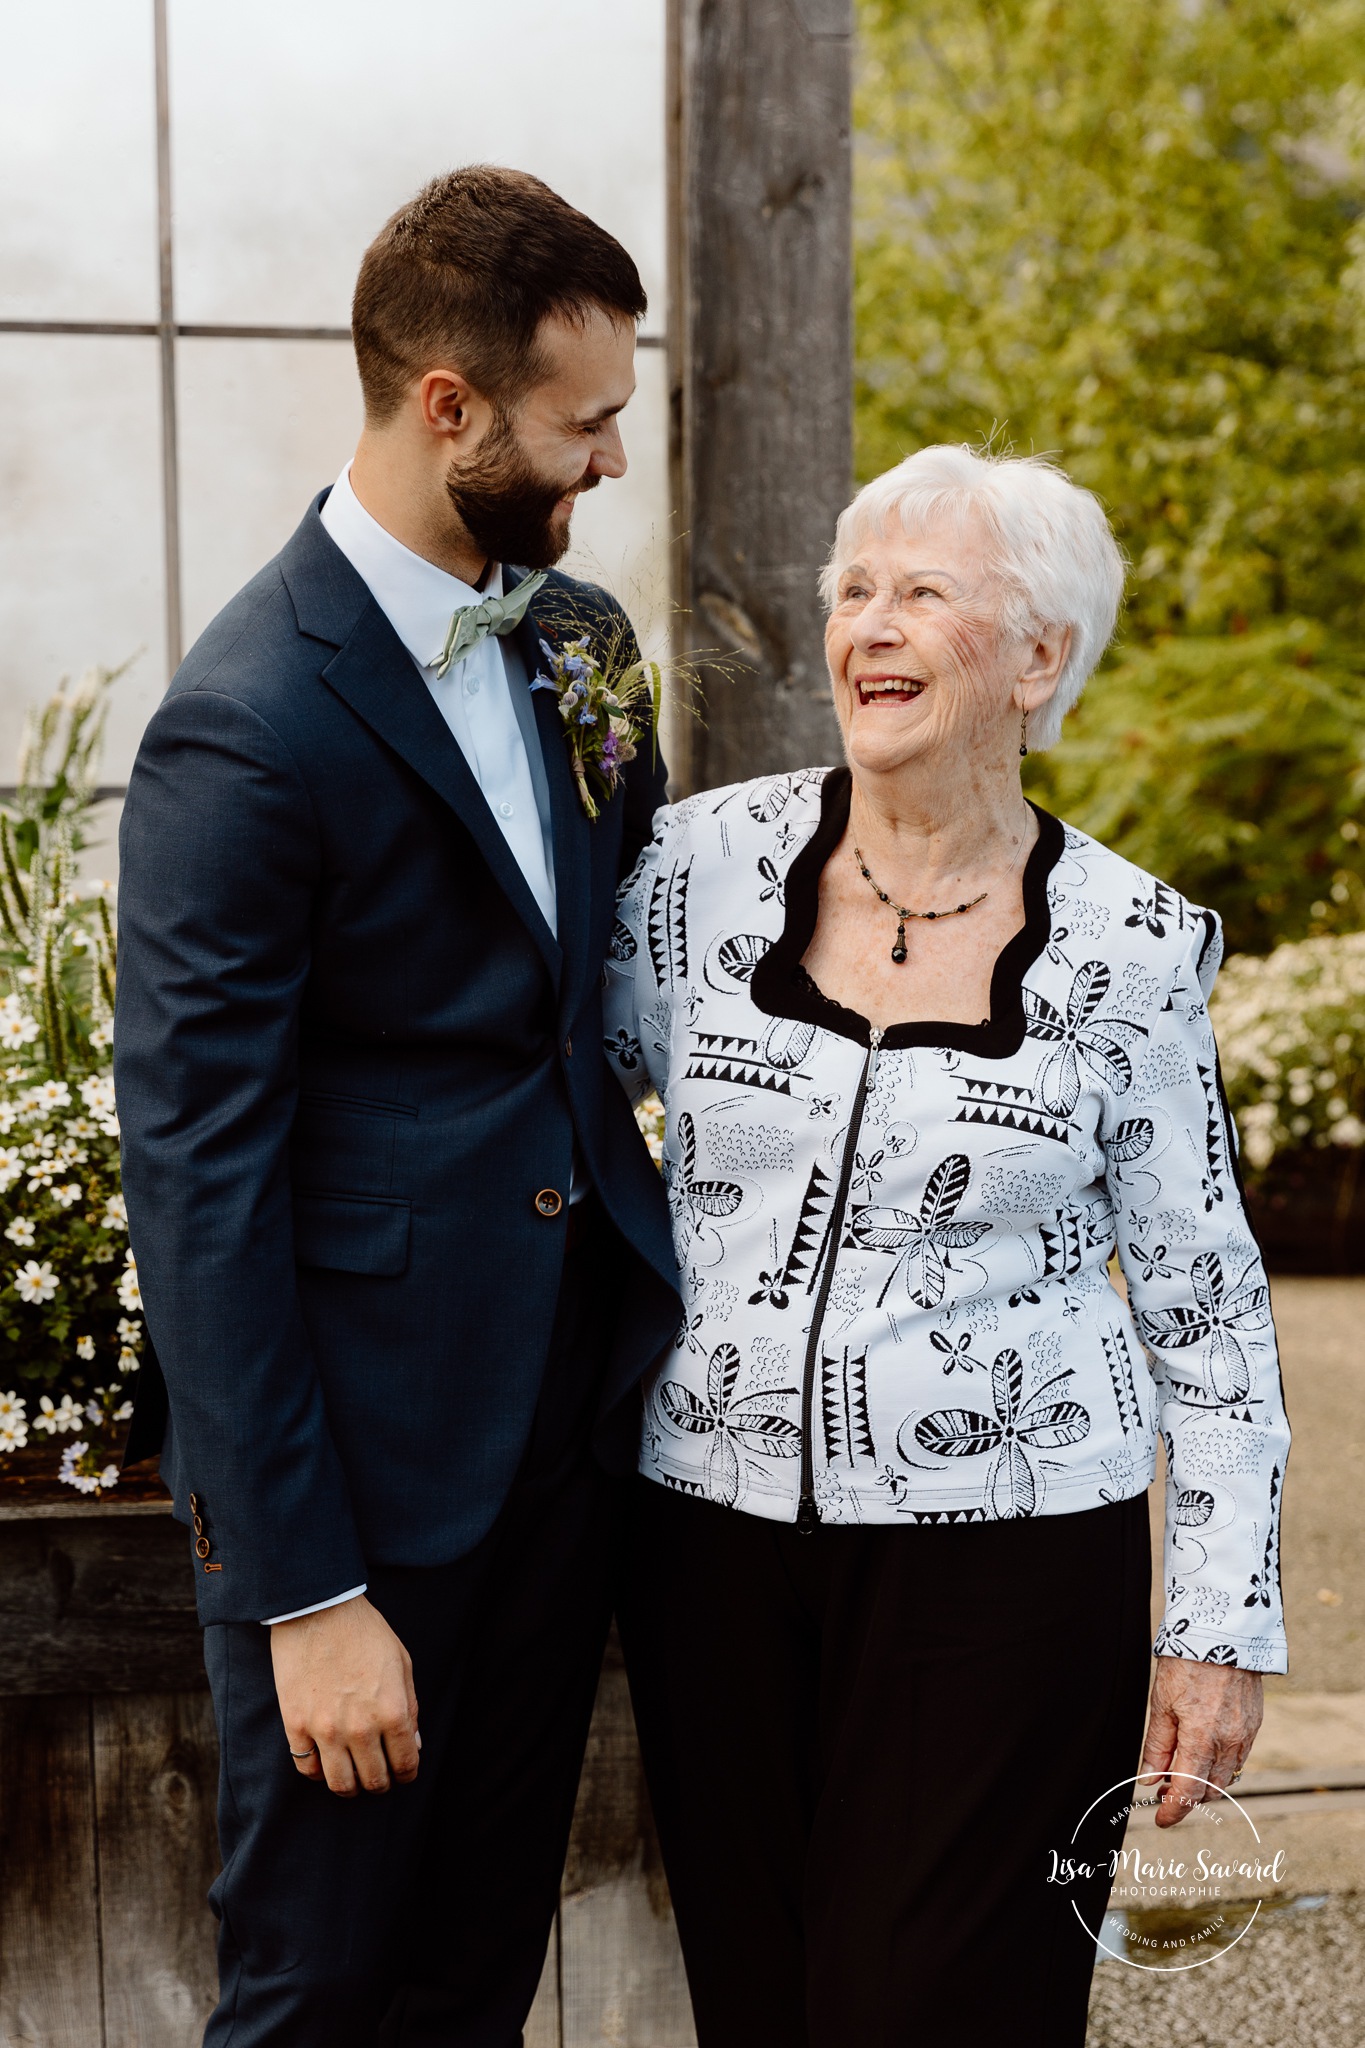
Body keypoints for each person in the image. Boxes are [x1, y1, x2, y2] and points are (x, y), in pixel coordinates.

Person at [604, 443, 1290, 2048]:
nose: (869, 625)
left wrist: (1216, 1627)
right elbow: (538, 1119)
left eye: (921, 592)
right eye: (853, 590)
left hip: (1009, 1575)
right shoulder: (693, 871)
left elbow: (1205, 1306)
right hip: (707, 1551)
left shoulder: (1131, 946)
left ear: (1038, 658)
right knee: (761, 2007)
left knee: (944, 2011)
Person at [114, 166, 679, 2047]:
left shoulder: (582, 643)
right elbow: (197, 1178)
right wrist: (303, 1595)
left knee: (473, 1982)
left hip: (559, 1451)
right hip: (360, 1498)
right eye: (583, 421)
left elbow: (643, 952)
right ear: (449, 406)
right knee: (316, 1997)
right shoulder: (242, 723)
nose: (613, 458)